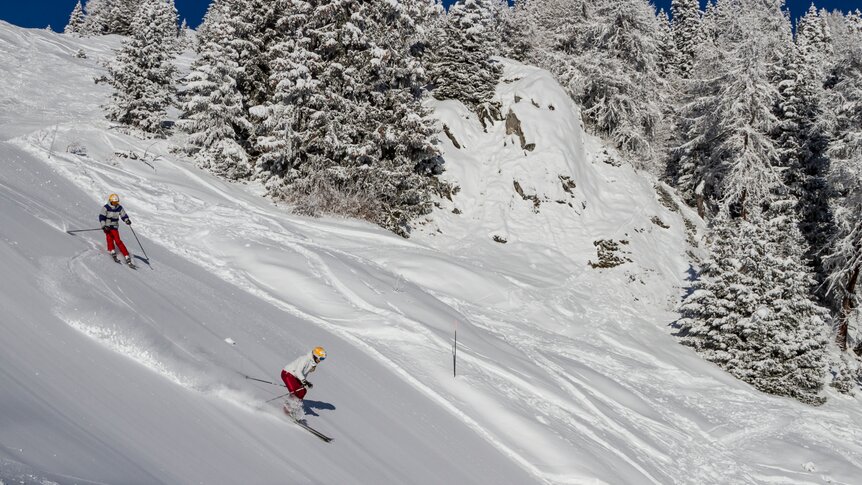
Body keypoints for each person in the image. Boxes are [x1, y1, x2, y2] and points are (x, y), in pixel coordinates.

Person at [281, 347, 326, 417]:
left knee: (303, 391)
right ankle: (287, 409)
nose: (321, 361)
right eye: (321, 358)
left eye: (323, 359)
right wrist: (304, 382)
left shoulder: (312, 363)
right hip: (288, 374)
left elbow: (304, 374)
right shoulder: (305, 359)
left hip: (296, 377)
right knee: (294, 391)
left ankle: (294, 408)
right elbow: (298, 371)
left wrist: (304, 383)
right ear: (315, 356)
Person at [99, 193, 133, 265]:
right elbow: (101, 217)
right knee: (109, 238)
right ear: (110, 201)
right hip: (107, 226)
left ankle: (126, 255)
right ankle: (112, 250)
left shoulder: (119, 208)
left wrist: (126, 220)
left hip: (114, 226)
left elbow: (123, 215)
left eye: (116, 202)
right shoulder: (106, 207)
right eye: (113, 202)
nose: (115, 204)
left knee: (117, 240)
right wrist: (104, 225)